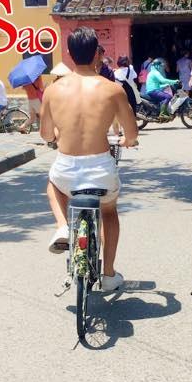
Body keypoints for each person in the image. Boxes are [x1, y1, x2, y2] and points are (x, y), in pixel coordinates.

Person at [40, 26, 138, 292]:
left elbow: (46, 134)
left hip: (66, 169)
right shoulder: (112, 89)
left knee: (52, 185)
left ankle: (62, 227)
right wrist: (128, 141)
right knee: (109, 211)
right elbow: (131, 134)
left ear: (69, 54)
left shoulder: (53, 91)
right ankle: (109, 275)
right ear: (97, 53)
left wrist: (58, 134)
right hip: (100, 169)